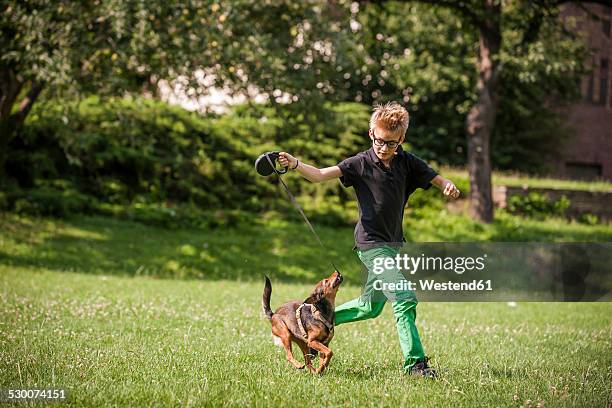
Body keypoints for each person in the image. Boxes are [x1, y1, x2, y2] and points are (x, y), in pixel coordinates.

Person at [278, 101, 460, 377]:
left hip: (393, 245)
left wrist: (446, 184)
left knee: (369, 307)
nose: (383, 147)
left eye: (390, 143)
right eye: (378, 140)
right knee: (403, 297)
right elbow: (319, 175)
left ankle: (308, 327)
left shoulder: (407, 162)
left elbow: (434, 177)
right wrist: (295, 164)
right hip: (371, 245)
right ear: (370, 134)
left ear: (401, 140)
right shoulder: (360, 163)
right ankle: (416, 364)